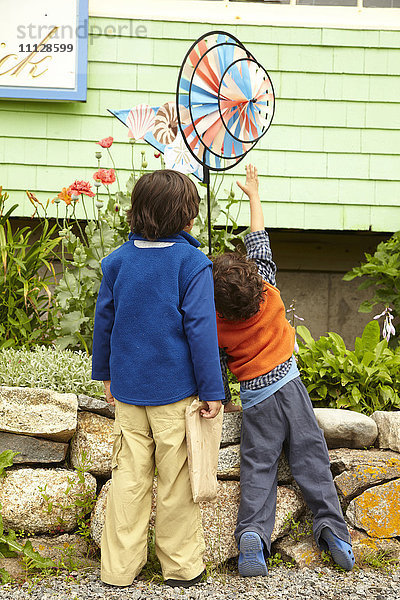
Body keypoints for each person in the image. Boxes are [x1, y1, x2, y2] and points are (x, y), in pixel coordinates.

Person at [212, 164, 355, 577]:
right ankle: (333, 529)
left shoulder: (216, 325)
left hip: (256, 402)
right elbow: (258, 239)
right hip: (291, 388)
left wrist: (220, 400)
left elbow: (215, 368)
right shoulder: (268, 285)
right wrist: (253, 195)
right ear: (255, 279)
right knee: (311, 457)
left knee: (259, 467)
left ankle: (253, 536)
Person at [91, 169, 224, 588]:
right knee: (176, 483)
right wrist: (212, 389)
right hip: (176, 396)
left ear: (137, 211)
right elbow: (201, 329)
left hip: (129, 395)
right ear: (187, 216)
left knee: (128, 479)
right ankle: (182, 568)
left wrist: (105, 375)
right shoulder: (192, 263)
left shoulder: (117, 262)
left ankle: (118, 571)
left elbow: (103, 323)